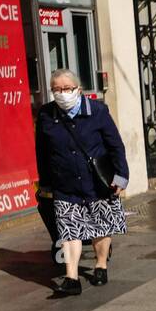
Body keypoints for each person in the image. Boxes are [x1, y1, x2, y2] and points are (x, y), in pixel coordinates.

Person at [34, 68, 129, 296]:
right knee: (69, 230)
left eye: (66, 89)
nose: (61, 93)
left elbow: (115, 145)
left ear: (79, 89)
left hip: (97, 182)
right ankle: (72, 278)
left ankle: (101, 265)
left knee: (100, 225)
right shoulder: (47, 114)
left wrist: (121, 176)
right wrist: (45, 182)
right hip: (65, 184)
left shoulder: (97, 111)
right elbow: (42, 151)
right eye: (56, 89)